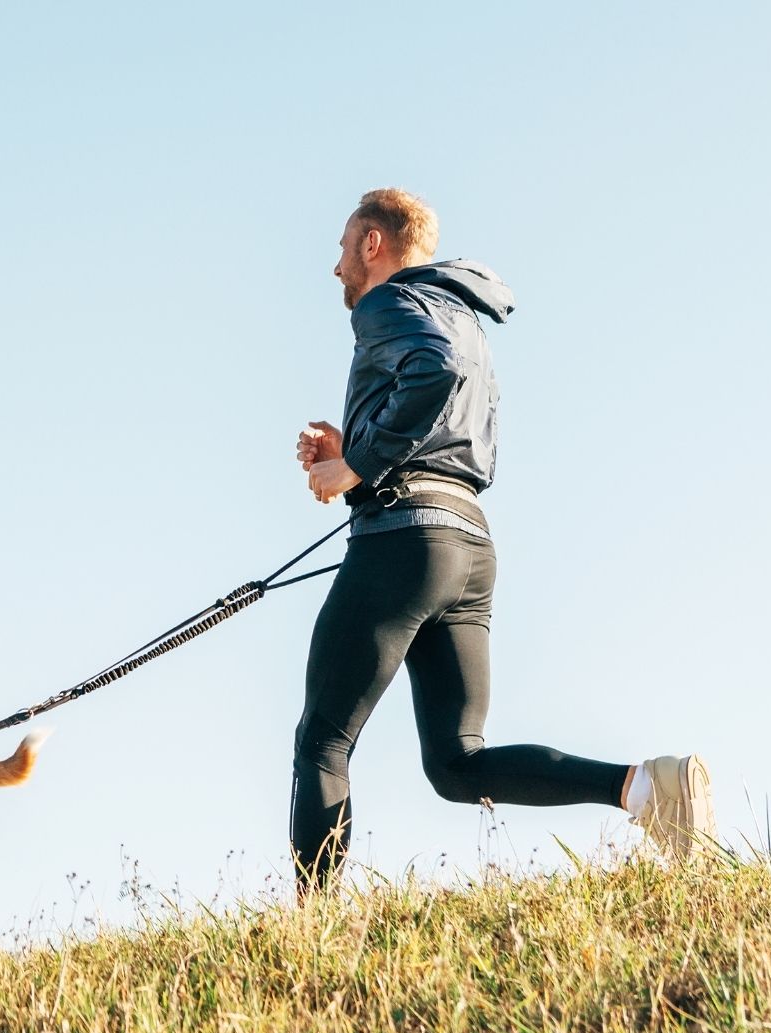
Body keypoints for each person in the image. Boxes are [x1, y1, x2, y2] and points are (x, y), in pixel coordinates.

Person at [289, 188, 715, 893]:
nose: (336, 267)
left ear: (373, 244)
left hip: (404, 541)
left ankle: (314, 932)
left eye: (342, 247)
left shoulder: (388, 303)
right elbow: (446, 422)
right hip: (467, 546)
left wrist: (357, 463)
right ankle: (646, 790)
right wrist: (353, 451)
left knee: (322, 741)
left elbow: (435, 375)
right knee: (458, 764)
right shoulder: (454, 312)